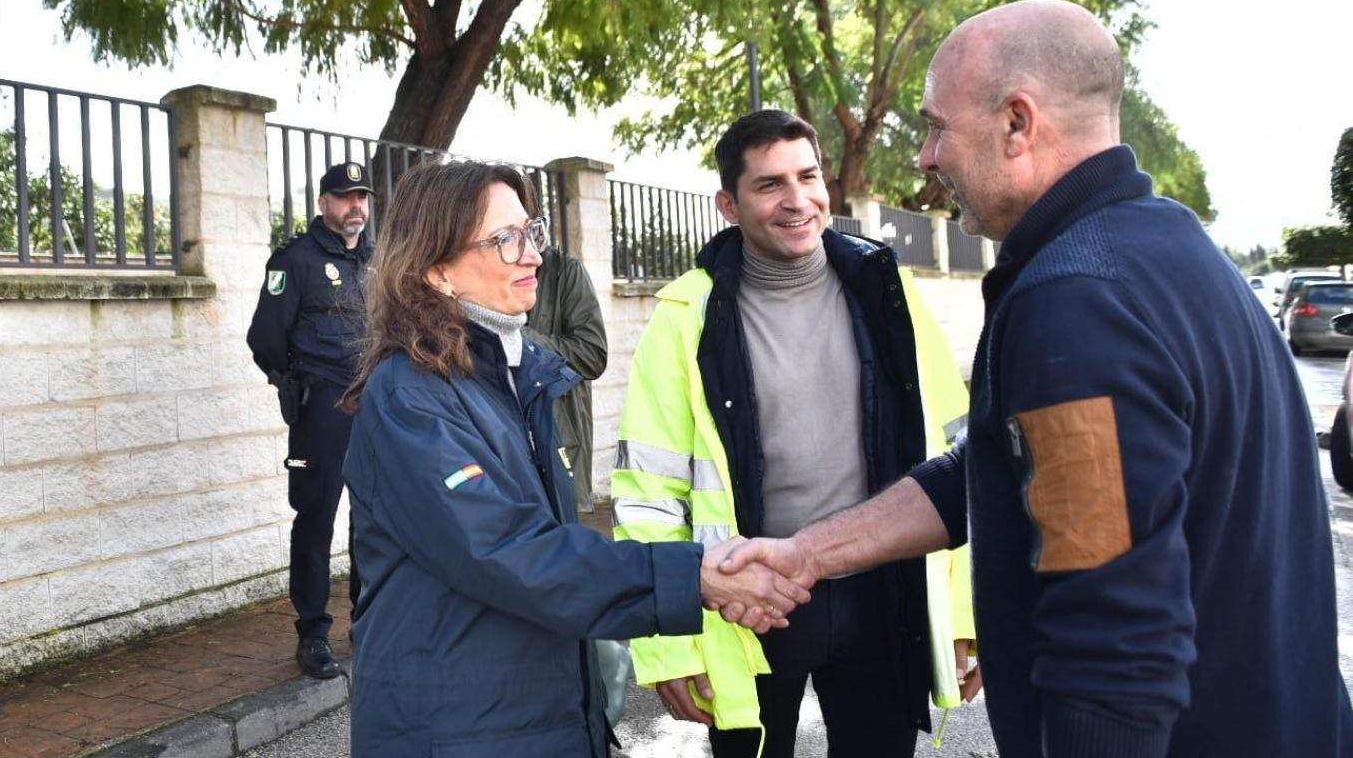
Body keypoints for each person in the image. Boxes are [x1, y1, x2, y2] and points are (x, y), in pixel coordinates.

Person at [719, 0, 1353, 757]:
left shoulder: (1078, 301)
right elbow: (989, 466)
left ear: (1017, 123)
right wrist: (809, 554)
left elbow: (1112, 642)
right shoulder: (1165, 245)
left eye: (935, 126)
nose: (924, 157)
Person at [339, 160, 810, 758]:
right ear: (435, 268)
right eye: (504, 240)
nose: (532, 255)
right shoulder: (410, 395)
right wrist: (693, 575)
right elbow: (508, 550)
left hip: (526, 717)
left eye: (530, 233)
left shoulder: (511, 378)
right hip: (455, 728)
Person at [612, 110, 976, 757]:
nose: (797, 200)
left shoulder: (888, 293)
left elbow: (957, 460)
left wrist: (963, 610)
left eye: (808, 176)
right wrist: (667, 644)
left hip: (881, 592)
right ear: (729, 203)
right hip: (747, 603)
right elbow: (649, 492)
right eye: (770, 184)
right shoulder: (684, 318)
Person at [245, 160, 375, 680]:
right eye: (345, 198)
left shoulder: (378, 259)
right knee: (316, 517)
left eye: (362, 197)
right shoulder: (294, 260)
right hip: (322, 407)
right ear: (324, 203)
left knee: (371, 518)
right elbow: (265, 337)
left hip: (373, 407)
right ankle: (314, 632)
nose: (355, 207)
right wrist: (294, 379)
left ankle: (367, 619)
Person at [525, 245, 608, 515]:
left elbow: (592, 355)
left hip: (558, 436)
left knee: (561, 531)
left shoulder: (564, 273)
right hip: (505, 443)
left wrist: (522, 339)